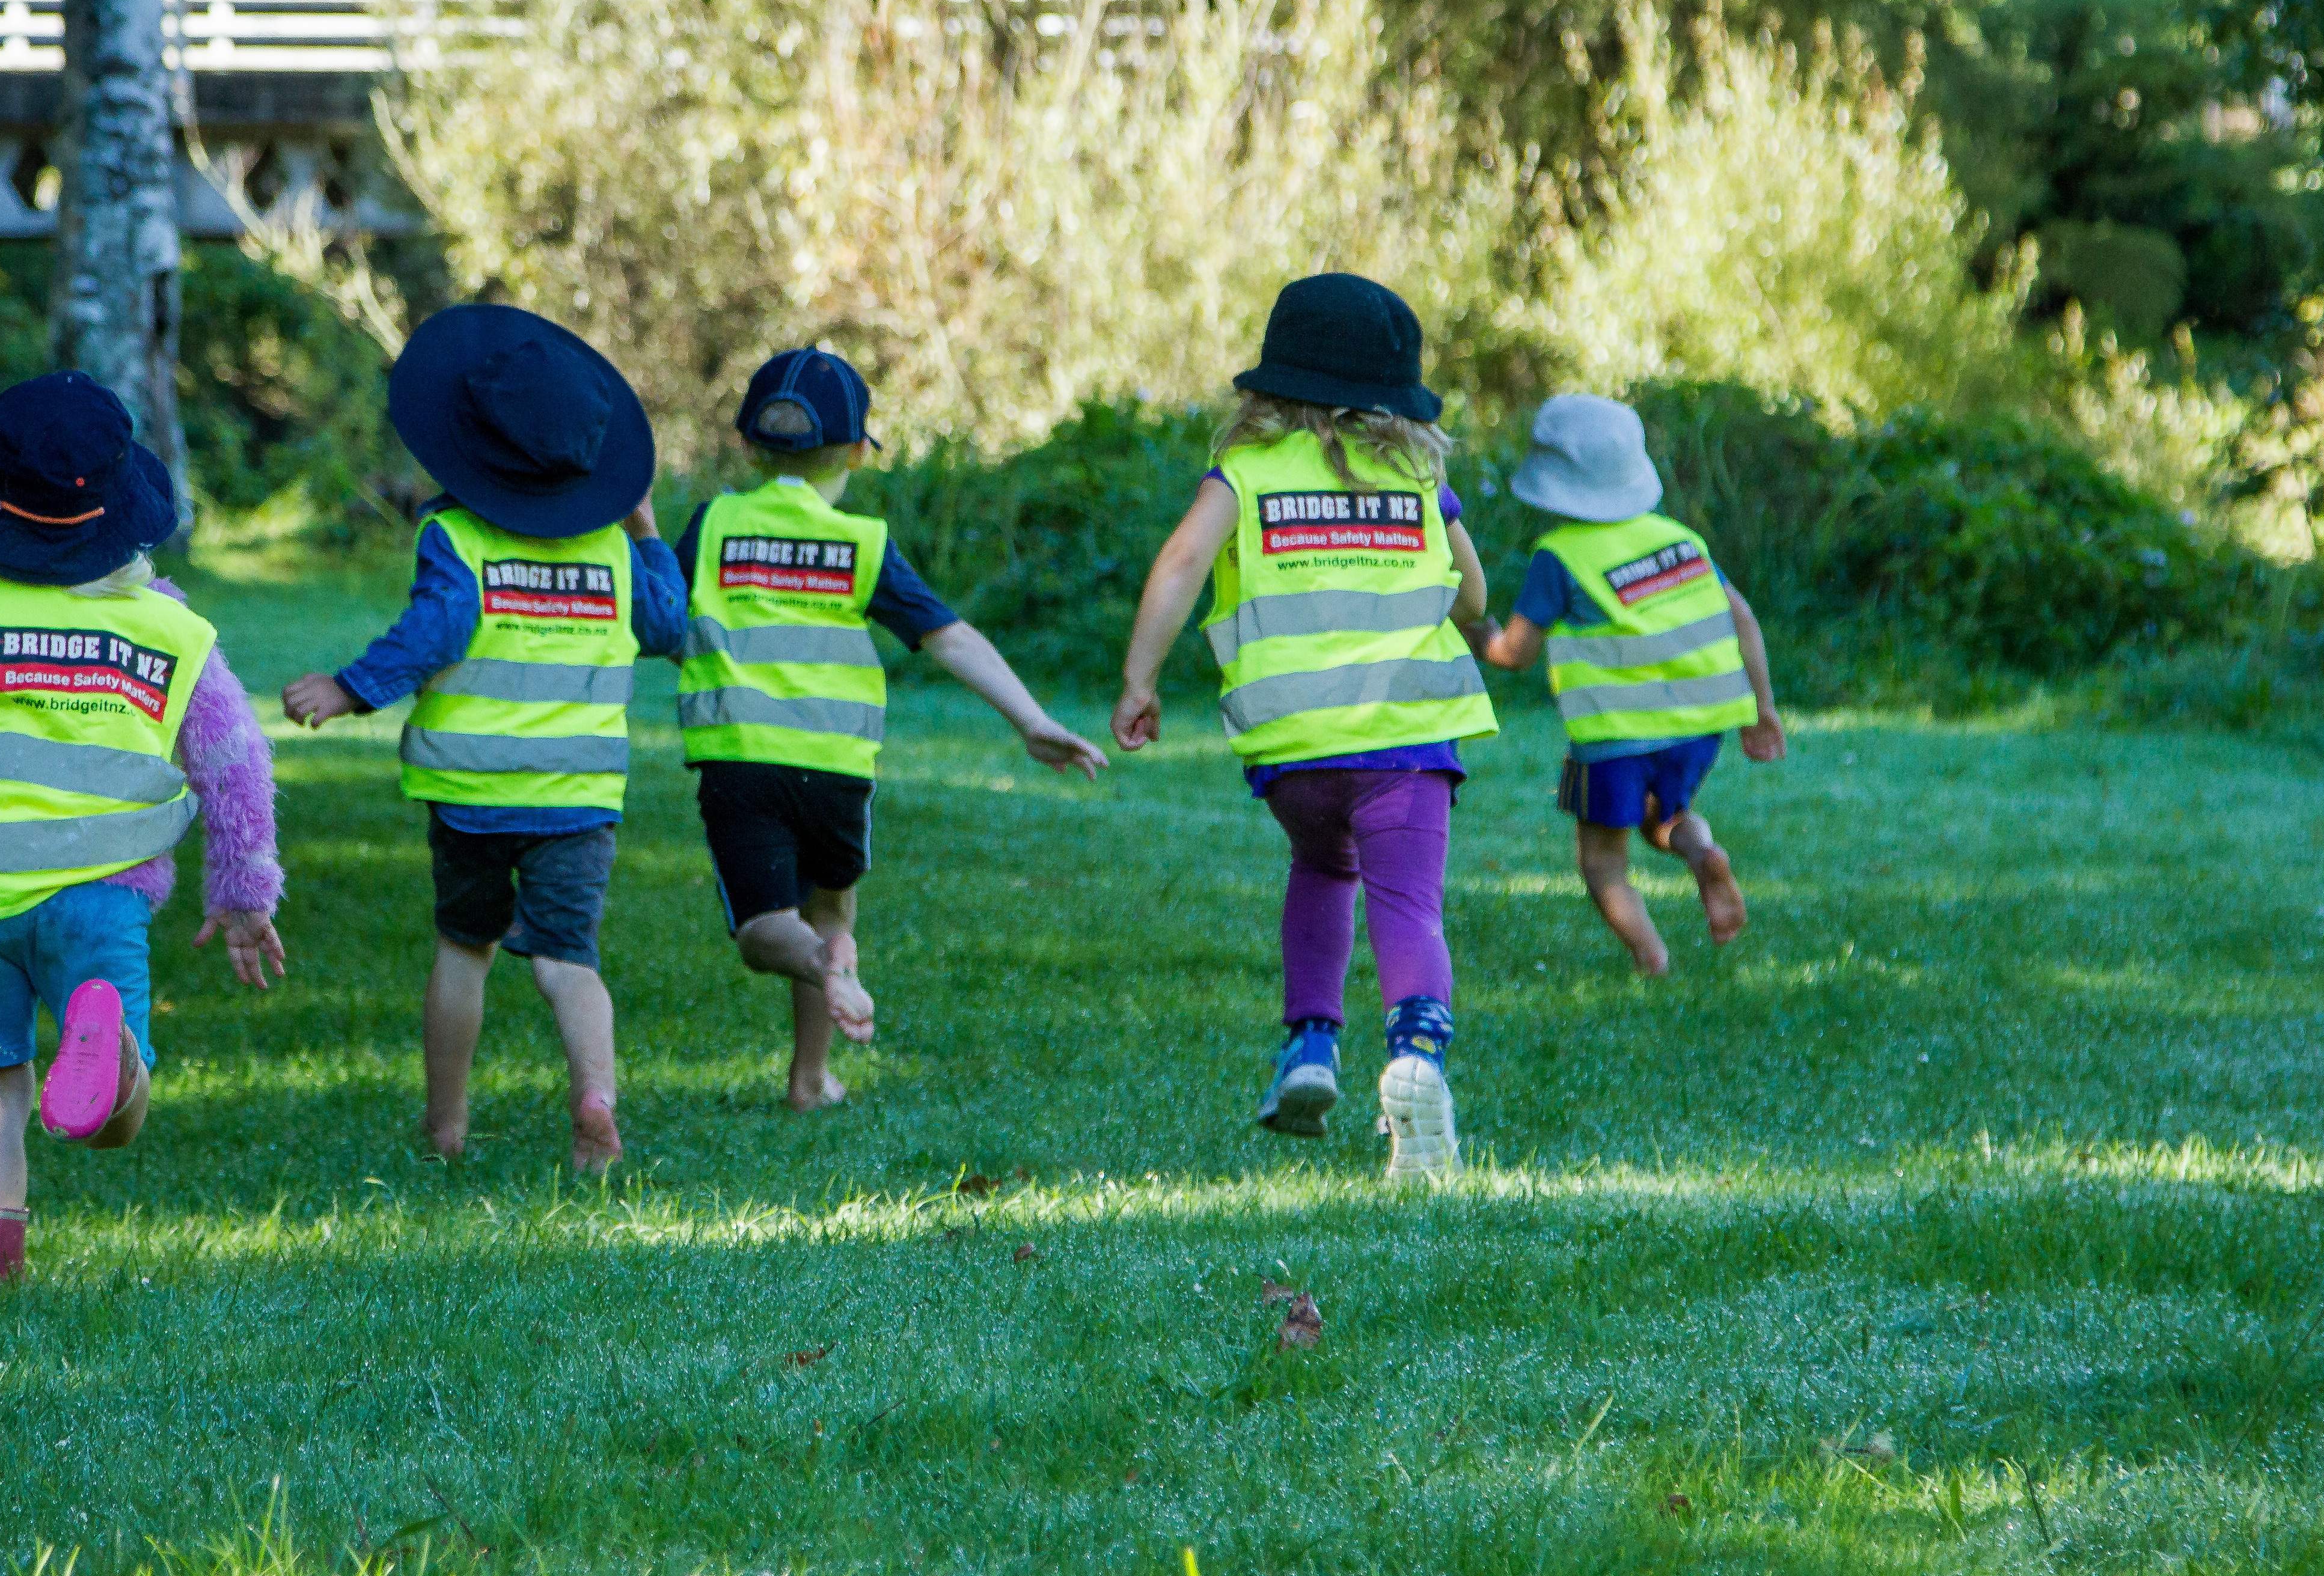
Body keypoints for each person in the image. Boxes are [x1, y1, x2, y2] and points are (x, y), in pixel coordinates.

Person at [0, 371, 286, 1297]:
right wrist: (245, 899)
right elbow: (237, 770)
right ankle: (112, 1040)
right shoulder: (176, 636)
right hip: (103, 898)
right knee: (116, 1117)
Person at [1110, 275, 1497, 1183]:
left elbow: (1180, 565)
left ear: (1271, 386)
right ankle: (1417, 1061)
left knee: (1323, 868)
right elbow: (1474, 594)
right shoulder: (1417, 477)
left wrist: (1141, 678)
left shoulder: (1244, 474)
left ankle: (1311, 1045)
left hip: (1295, 751)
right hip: (1405, 739)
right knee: (1407, 905)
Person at [281, 306, 683, 1172]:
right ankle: (596, 1098)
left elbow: (438, 631)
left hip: (470, 795)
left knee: (466, 949)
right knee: (569, 959)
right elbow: (667, 626)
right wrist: (649, 532)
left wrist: (351, 690)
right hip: (578, 797)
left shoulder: (455, 536)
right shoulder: (614, 548)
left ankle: (447, 1126)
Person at [676, 346, 1104, 1110]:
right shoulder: (862, 545)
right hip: (839, 769)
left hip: (741, 758)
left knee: (764, 931)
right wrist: (1031, 721)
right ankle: (810, 1079)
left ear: (746, 443)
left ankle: (824, 968)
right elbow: (951, 637)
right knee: (830, 912)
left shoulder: (713, 527)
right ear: (856, 452)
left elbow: (658, 615)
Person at [1473, 392, 1785, 975]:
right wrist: (1762, 708)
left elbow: (1514, 654)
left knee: (1602, 862)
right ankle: (1703, 853)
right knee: (1666, 818)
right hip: (1697, 729)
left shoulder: (1560, 556)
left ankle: (1650, 957)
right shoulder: (1679, 540)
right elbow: (1740, 616)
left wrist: (1479, 636)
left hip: (1615, 736)